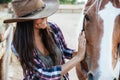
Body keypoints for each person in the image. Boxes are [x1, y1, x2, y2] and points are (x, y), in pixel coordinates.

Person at [4, 0, 86, 80]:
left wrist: (81, 52)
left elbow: (64, 51)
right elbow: (45, 74)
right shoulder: (19, 45)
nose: (45, 17)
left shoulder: (53, 28)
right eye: (39, 16)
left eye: (44, 12)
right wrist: (78, 57)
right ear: (26, 21)